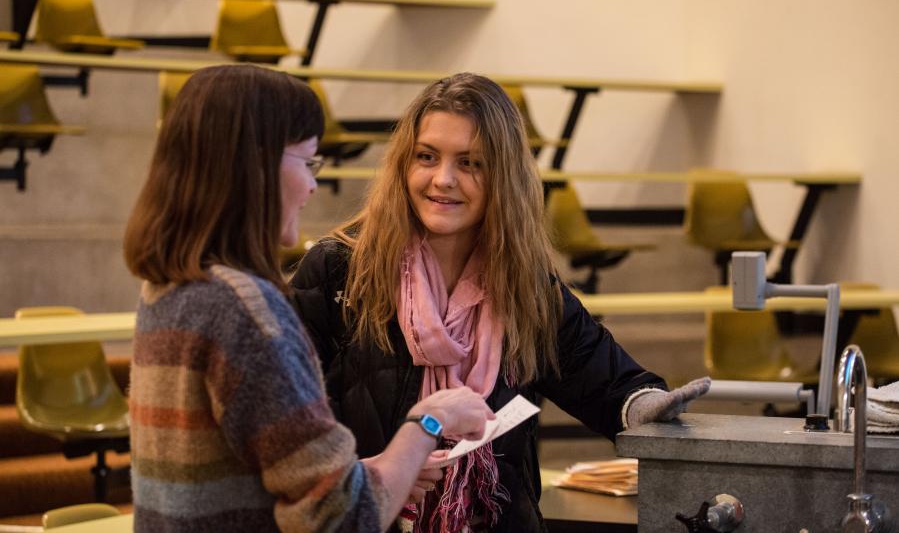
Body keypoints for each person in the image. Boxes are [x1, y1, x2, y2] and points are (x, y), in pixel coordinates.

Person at [290, 72, 710, 533]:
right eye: (426, 157)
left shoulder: (525, 282)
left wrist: (645, 407)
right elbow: (293, 430)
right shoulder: (338, 268)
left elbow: (608, 383)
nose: (442, 180)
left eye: (471, 163)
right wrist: (373, 473)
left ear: (502, 176)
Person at [123, 64, 494, 533]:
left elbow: (262, 479)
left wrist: (366, 473)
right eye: (307, 162)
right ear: (254, 168)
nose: (313, 186)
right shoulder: (242, 310)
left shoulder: (168, 290)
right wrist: (429, 421)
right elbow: (339, 519)